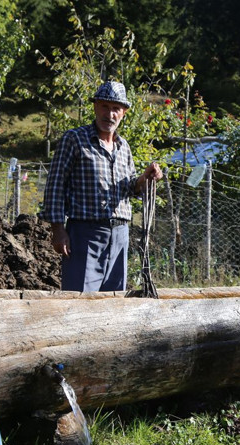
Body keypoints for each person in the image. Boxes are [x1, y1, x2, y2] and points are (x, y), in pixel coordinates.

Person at [42, 80, 163, 292]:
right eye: (105, 107)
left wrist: (145, 178)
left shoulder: (123, 146)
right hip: (85, 232)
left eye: (116, 108)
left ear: (123, 112)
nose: (110, 114)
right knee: (80, 298)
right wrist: (58, 230)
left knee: (114, 298)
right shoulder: (75, 139)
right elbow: (55, 185)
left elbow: (129, 188)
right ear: (95, 106)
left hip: (119, 234)